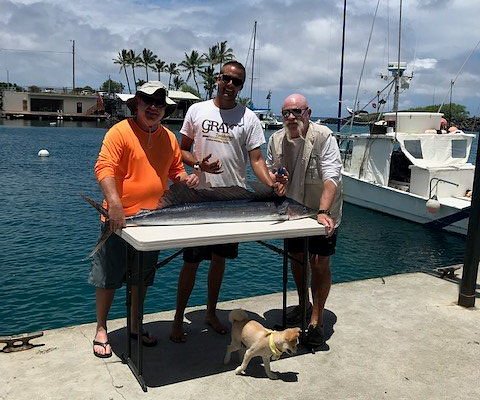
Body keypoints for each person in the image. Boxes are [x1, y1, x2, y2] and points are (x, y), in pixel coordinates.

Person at [169, 60, 285, 343]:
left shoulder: (249, 118)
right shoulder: (197, 110)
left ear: (242, 86)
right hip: (198, 200)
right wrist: (198, 164)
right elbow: (179, 150)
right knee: (191, 262)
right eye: (226, 79)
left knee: (219, 261)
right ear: (218, 79)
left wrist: (271, 183)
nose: (230, 85)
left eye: (237, 81)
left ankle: (210, 312)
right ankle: (177, 319)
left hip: (234, 201)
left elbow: (256, 159)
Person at [89, 81, 199, 358]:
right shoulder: (120, 132)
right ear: (136, 103)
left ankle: (135, 325)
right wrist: (114, 204)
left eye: (159, 103)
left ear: (165, 109)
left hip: (153, 221)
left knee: (142, 279)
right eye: (147, 101)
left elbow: (175, 170)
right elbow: (104, 167)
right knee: (107, 277)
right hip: (118, 219)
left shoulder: (169, 138)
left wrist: (188, 179)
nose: (153, 107)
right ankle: (101, 328)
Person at [266, 93, 343, 347]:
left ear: (307, 113)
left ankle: (316, 320)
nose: (290, 117)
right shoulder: (276, 140)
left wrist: (323, 211)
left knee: (319, 264)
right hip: (293, 214)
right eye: (286, 112)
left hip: (323, 212)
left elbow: (331, 177)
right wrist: (276, 183)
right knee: (297, 261)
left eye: (296, 112)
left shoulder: (323, 137)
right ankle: (303, 304)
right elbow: (270, 172)